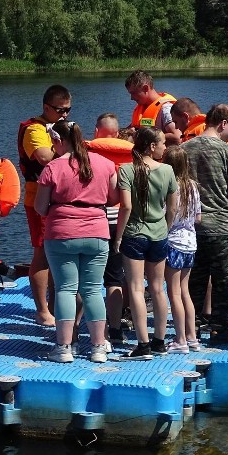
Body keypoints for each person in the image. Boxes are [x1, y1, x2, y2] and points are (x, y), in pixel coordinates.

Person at [35, 120, 119, 363]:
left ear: (60, 141)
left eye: (54, 143)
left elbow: (41, 208)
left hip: (61, 234)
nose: (53, 147)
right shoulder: (105, 164)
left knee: (66, 289)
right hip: (97, 232)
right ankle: (98, 347)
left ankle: (63, 348)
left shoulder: (52, 168)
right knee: (93, 289)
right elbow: (113, 199)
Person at [183, 104, 228, 345]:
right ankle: (220, 329)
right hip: (220, 227)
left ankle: (191, 328)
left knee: (194, 280)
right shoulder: (227, 151)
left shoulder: (184, 149)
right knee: (222, 281)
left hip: (191, 227)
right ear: (223, 123)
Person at [114, 127, 178, 360]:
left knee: (136, 289)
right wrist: (166, 228)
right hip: (159, 234)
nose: (165, 146)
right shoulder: (168, 170)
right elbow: (171, 208)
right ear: (151, 146)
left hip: (134, 234)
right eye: (162, 142)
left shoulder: (127, 170)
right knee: (159, 288)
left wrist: (118, 236)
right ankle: (159, 341)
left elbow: (126, 207)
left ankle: (143, 345)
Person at [17, 84, 72, 327]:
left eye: (68, 110)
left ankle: (52, 305)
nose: (65, 115)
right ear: (46, 107)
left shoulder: (62, 127)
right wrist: (71, 149)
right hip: (39, 197)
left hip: (60, 198)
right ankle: (41, 310)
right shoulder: (34, 129)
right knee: (42, 252)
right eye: (60, 110)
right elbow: (44, 157)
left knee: (56, 253)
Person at [87, 113, 133, 346]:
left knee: (90, 280)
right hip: (122, 221)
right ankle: (115, 328)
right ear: (117, 134)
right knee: (115, 279)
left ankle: (85, 331)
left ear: (96, 132)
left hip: (95, 220)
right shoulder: (131, 156)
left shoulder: (87, 156)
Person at [162, 146, 202, 354]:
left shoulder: (170, 186)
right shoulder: (193, 186)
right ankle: (192, 337)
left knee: (174, 292)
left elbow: (168, 216)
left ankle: (179, 340)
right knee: (185, 291)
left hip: (174, 242)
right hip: (190, 242)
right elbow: (198, 218)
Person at [125, 70, 180, 146]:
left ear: (145, 88)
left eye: (133, 93)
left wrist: (142, 136)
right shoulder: (142, 107)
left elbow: (177, 137)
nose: (131, 98)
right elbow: (133, 128)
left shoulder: (166, 109)